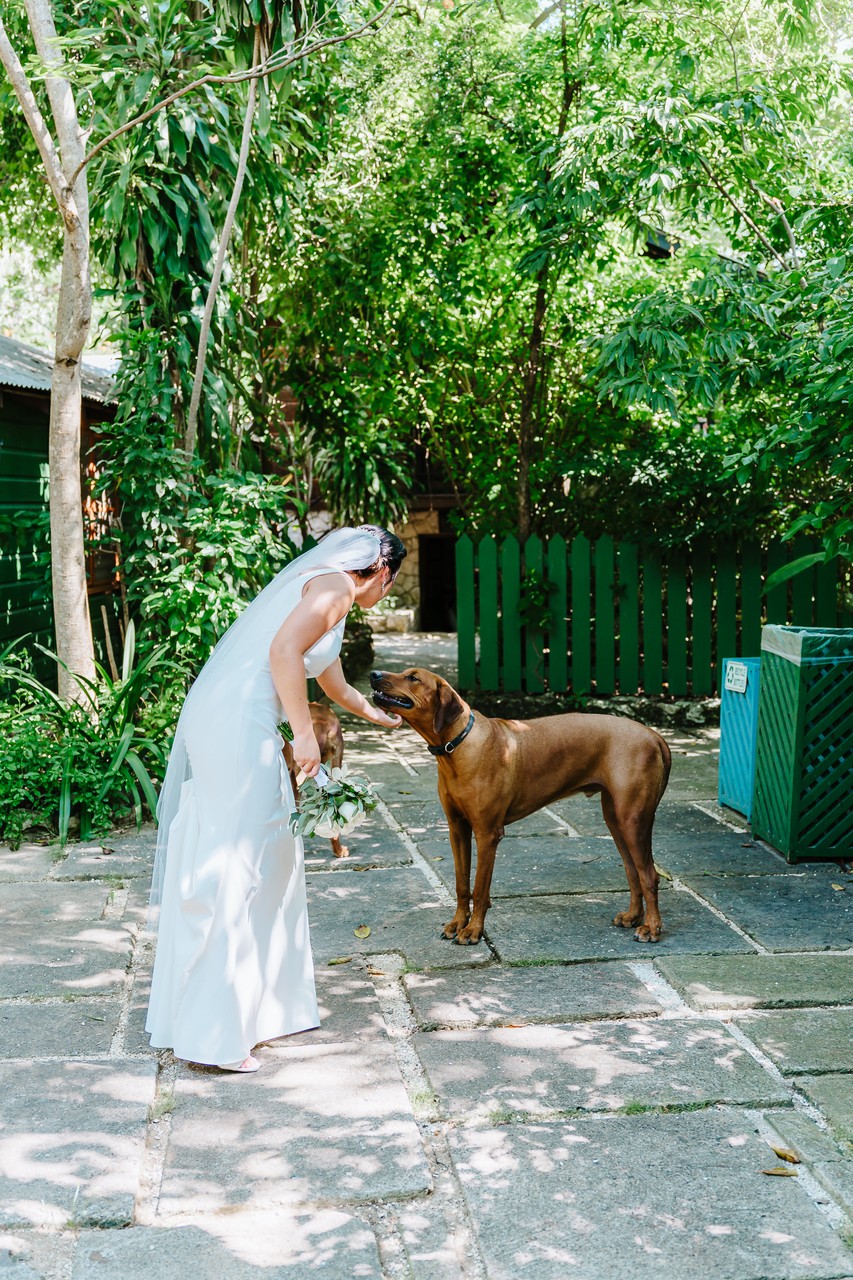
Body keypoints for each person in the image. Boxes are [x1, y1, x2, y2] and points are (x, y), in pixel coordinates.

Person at [145, 525, 406, 1072]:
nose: (388, 593)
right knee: (241, 861)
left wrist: (377, 715)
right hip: (237, 722)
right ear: (382, 571)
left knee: (271, 854)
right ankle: (214, 1037)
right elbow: (283, 652)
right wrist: (304, 736)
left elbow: (332, 685)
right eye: (392, 583)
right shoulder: (335, 588)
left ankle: (261, 1009)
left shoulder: (327, 590)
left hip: (236, 718)